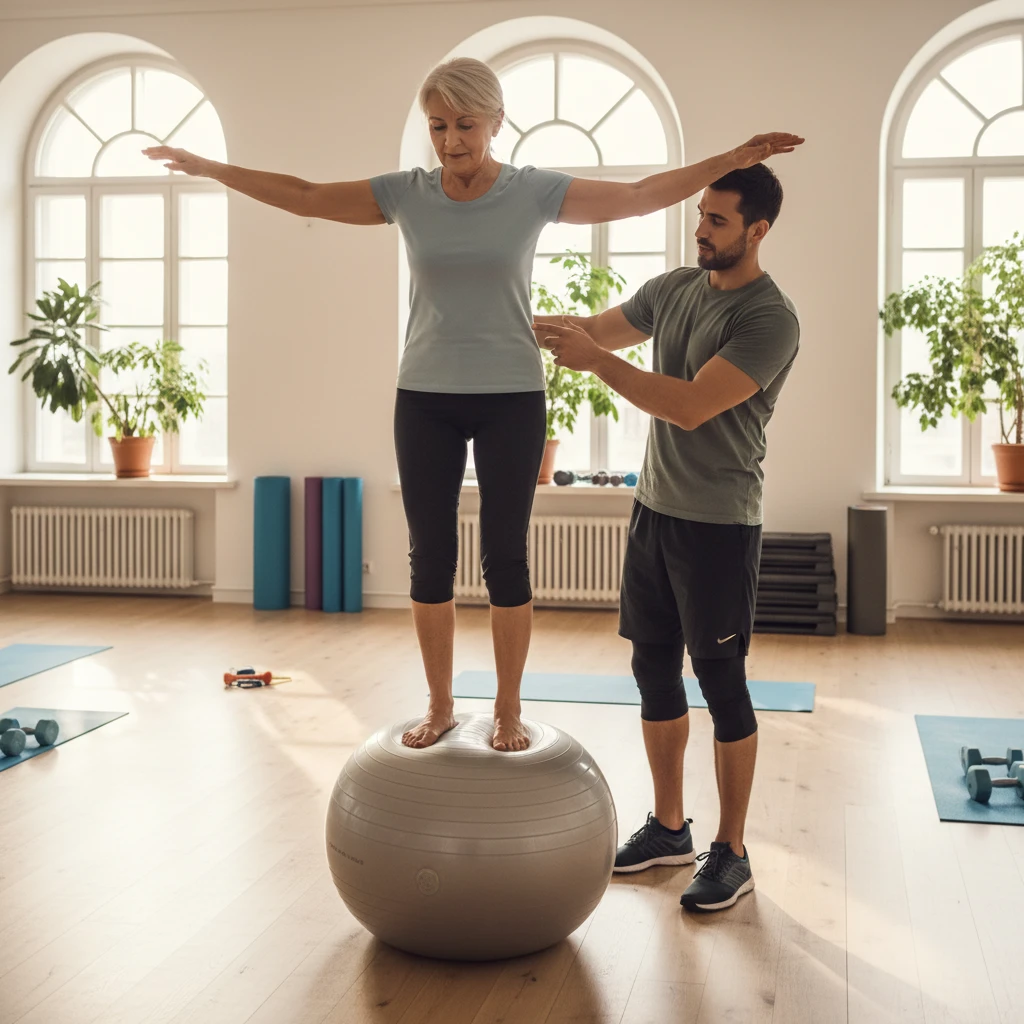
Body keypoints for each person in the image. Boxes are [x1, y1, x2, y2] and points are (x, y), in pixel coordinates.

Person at [144, 58, 802, 754]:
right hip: (424, 396)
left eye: (464, 125)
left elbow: (639, 195)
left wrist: (728, 160)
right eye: (437, 126)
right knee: (429, 560)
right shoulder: (406, 193)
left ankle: (508, 709)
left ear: (495, 123)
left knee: (505, 560)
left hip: (511, 396)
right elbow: (307, 195)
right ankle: (439, 705)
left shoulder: (531, 192)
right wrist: (213, 168)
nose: (450, 140)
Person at [533, 162, 799, 911]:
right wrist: (496, 315)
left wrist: (597, 362)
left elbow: (688, 406)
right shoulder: (676, 288)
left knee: (722, 683)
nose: (700, 229)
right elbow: (590, 331)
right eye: (700, 214)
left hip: (719, 523)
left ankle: (732, 851)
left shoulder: (770, 318)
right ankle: (670, 829)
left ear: (757, 230)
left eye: (717, 220)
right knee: (652, 670)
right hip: (654, 510)